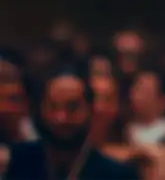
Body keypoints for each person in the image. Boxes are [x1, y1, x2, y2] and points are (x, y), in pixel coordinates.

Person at [5, 67, 139, 179]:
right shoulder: (20, 159)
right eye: (53, 107)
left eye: (72, 108)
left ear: (90, 110)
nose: (61, 118)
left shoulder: (117, 175)